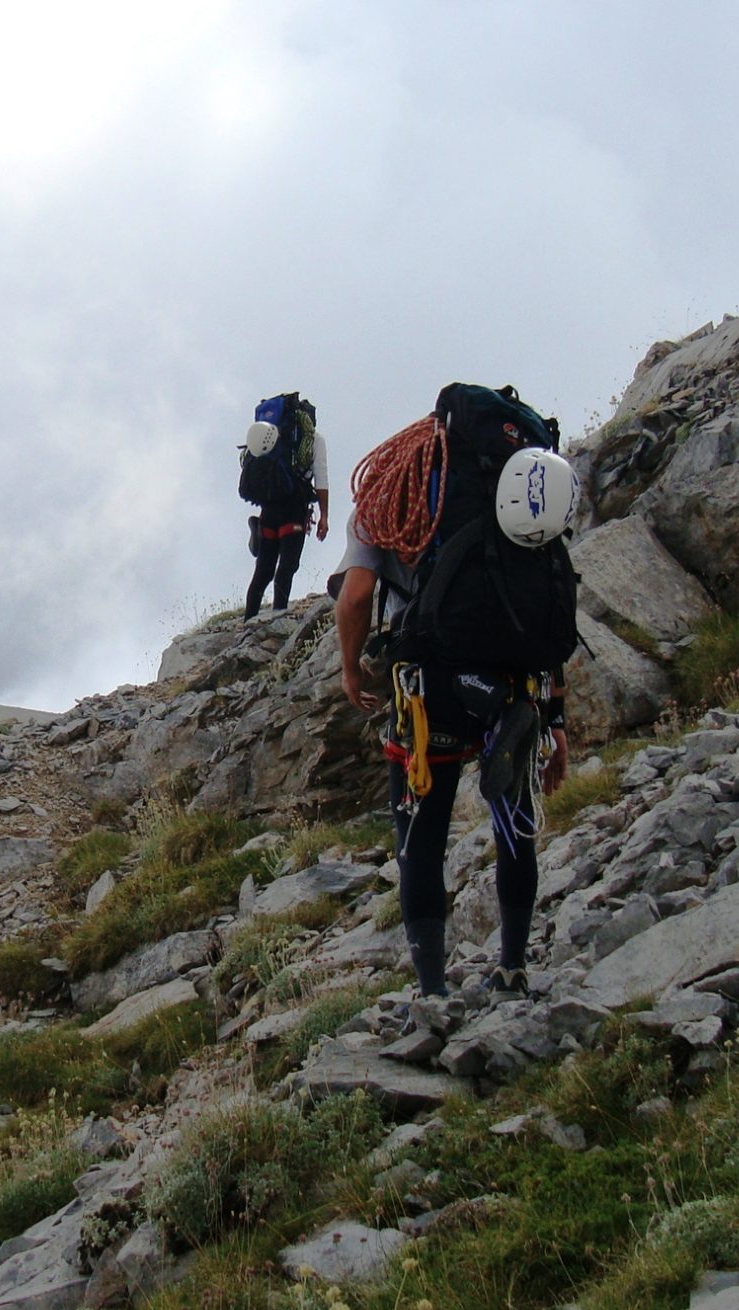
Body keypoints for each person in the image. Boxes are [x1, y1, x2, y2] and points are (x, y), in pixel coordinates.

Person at [333, 385, 578, 1002]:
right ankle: (513, 968)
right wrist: (556, 718)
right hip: (519, 677)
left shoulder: (395, 488)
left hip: (430, 687)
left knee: (421, 839)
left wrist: (351, 669)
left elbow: (356, 596)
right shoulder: (517, 489)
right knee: (514, 824)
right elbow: (545, 606)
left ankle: (432, 995)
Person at [240, 396, 329, 619]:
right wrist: (324, 516)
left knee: (263, 571)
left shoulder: (272, 437)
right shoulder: (314, 439)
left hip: (268, 509)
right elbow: (321, 479)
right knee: (287, 567)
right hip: (294, 510)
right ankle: (278, 617)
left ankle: (248, 621)